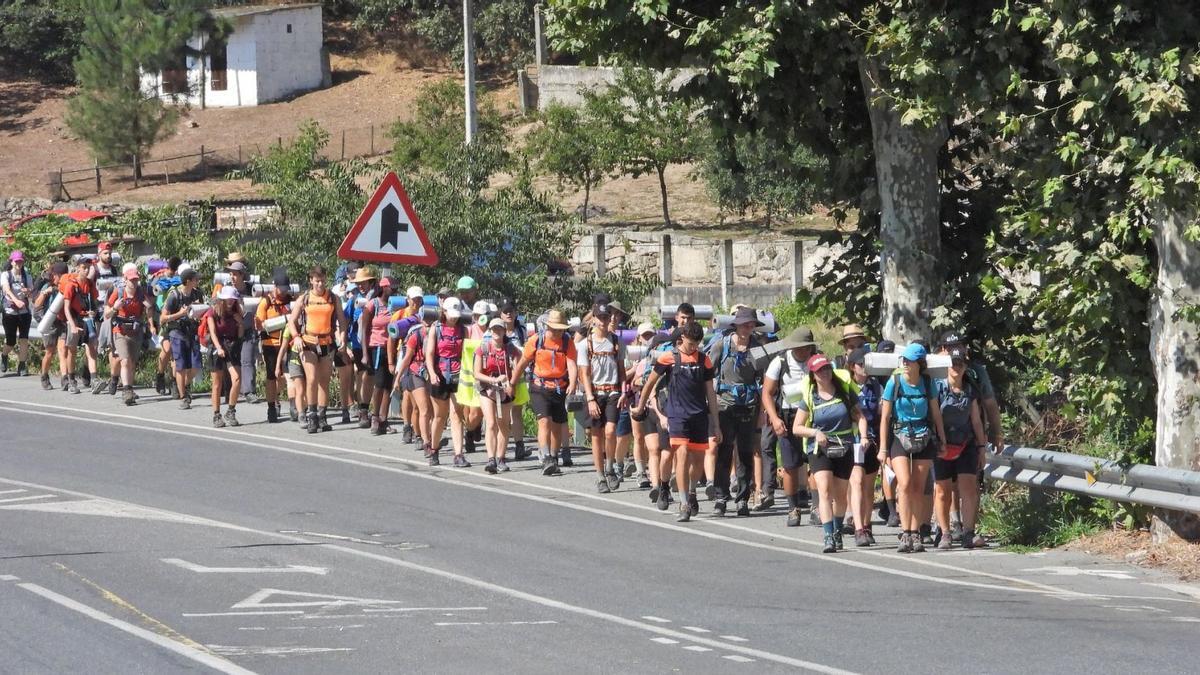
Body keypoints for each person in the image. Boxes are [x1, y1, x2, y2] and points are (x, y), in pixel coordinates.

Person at [631, 321, 721, 523]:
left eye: (697, 344)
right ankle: (683, 503)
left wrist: (715, 423)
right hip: (677, 415)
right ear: (682, 339)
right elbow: (650, 383)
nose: (694, 348)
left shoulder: (704, 360)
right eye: (690, 344)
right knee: (681, 454)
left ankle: (691, 492)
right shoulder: (668, 358)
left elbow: (710, 393)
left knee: (697, 459)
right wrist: (641, 406)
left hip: (699, 415)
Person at [793, 354, 869, 553]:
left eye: (827, 368)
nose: (825, 373)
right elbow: (797, 427)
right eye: (820, 370)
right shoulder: (810, 397)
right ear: (813, 375)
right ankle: (828, 536)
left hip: (844, 446)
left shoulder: (844, 392)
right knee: (825, 491)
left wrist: (863, 437)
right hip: (820, 449)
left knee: (841, 495)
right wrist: (815, 432)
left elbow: (859, 416)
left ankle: (836, 529)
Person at [878, 342, 948, 553]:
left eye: (909, 360)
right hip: (900, 436)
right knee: (905, 484)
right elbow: (885, 417)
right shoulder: (895, 381)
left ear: (919, 363)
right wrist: (882, 448)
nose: (905, 363)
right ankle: (905, 531)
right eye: (904, 360)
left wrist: (942, 440)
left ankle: (915, 533)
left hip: (923, 436)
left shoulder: (928, 383)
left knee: (918, 487)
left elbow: (936, 414)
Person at [708, 306, 767, 517]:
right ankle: (721, 498)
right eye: (744, 324)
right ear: (736, 325)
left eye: (751, 324)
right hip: (725, 405)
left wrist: (763, 411)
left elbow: (765, 383)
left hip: (749, 406)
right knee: (724, 452)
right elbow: (709, 373)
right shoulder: (721, 346)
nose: (747, 328)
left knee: (745, 454)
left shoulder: (757, 349)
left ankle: (742, 499)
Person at [759, 326, 819, 524]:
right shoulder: (780, 362)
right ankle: (793, 509)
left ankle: (816, 507)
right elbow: (767, 393)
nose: (803, 351)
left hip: (814, 415)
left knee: (815, 462)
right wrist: (775, 419)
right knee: (790, 465)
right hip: (789, 415)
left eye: (806, 347)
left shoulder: (818, 361)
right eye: (799, 347)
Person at [510, 308, 578, 476]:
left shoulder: (567, 342)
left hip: (559, 387)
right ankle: (546, 456)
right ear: (548, 327)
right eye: (554, 328)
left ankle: (554, 456)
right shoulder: (536, 340)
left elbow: (571, 363)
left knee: (556, 425)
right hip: (539, 386)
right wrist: (512, 382)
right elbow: (523, 363)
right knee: (544, 421)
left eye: (560, 329)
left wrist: (573, 382)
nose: (557, 332)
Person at [934, 346, 990, 549]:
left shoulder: (970, 389)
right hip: (942, 445)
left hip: (966, 444)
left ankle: (968, 533)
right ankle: (945, 533)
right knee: (942, 491)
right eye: (953, 363)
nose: (956, 367)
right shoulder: (938, 388)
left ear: (965, 367)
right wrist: (938, 441)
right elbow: (934, 416)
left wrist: (982, 447)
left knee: (968, 488)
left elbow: (976, 421)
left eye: (960, 364)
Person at [288, 266, 347, 434]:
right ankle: (311, 416)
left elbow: (342, 321)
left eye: (322, 280)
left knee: (324, 381)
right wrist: (296, 337)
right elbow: (292, 322)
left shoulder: (333, 298)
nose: (320, 284)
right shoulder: (304, 298)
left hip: (327, 343)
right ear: (311, 280)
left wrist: (342, 337)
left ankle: (322, 416)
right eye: (317, 280)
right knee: (312, 378)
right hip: (308, 342)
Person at [578, 303, 627, 493]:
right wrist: (589, 398)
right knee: (596, 436)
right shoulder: (585, 344)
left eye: (606, 317)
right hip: (595, 392)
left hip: (613, 391)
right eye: (600, 317)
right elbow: (584, 373)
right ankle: (600, 475)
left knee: (610, 430)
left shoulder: (616, 342)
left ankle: (610, 467)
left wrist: (623, 391)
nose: (604, 321)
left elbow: (621, 370)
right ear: (594, 319)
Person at [425, 297, 469, 466]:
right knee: (439, 416)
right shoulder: (436, 328)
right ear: (444, 312)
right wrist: (432, 373)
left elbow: (467, 352)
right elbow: (430, 353)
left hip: (458, 374)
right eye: (451, 314)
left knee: (457, 415)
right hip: (440, 374)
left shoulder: (463, 330)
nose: (454, 318)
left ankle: (458, 454)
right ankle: (434, 449)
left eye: (456, 315)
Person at [845, 347, 882, 546]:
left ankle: (867, 526)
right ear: (852, 367)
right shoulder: (845, 385)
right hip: (852, 441)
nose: (865, 368)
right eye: (861, 364)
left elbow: (881, 413)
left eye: (867, 364)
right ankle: (858, 528)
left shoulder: (875, 386)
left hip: (872, 441)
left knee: (868, 487)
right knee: (857, 482)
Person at [104, 265, 154, 405]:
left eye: (136, 280)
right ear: (125, 280)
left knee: (131, 363)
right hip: (120, 331)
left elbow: (149, 309)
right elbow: (106, 314)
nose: (134, 282)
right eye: (131, 280)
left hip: (136, 331)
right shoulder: (118, 292)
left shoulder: (140, 293)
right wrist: (115, 307)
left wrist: (150, 322)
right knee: (124, 361)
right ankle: (126, 390)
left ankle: (126, 387)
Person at [475, 318, 520, 473]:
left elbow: (519, 363)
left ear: (504, 331)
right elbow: (477, 373)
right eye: (494, 329)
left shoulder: (510, 349)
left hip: (505, 391)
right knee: (491, 423)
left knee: (504, 424)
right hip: (487, 389)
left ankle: (501, 458)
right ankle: (491, 459)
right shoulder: (483, 348)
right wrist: (493, 380)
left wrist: (512, 383)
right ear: (490, 330)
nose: (496, 332)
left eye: (499, 329)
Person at [214, 256, 260, 405]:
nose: (232, 277)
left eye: (235, 274)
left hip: (247, 331)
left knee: (247, 361)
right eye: (231, 274)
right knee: (232, 364)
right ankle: (229, 393)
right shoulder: (226, 289)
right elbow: (215, 304)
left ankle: (249, 391)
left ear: (242, 275)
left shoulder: (252, 289)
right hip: (231, 334)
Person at [161, 268, 205, 408]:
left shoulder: (197, 293)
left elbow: (203, 312)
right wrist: (180, 314)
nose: (198, 281)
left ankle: (185, 385)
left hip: (192, 332)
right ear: (188, 281)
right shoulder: (174, 295)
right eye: (195, 279)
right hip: (177, 332)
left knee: (196, 365)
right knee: (180, 366)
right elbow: (163, 318)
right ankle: (183, 397)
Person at [359, 275, 397, 435]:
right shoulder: (372, 305)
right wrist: (365, 354)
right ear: (384, 287)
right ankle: (375, 417)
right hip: (378, 348)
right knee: (379, 383)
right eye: (392, 287)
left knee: (389, 386)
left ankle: (383, 419)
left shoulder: (395, 306)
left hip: (393, 349)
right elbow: (364, 329)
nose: (395, 290)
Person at [255, 269, 293, 423]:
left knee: (287, 376)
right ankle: (271, 407)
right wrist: (281, 321)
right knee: (272, 376)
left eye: (285, 289)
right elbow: (259, 325)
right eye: (281, 289)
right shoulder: (266, 302)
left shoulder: (290, 300)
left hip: (288, 343)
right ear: (274, 286)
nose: (283, 292)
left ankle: (288, 404)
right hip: (269, 343)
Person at [399, 305, 436, 458]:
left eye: (431, 318)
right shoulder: (415, 335)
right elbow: (406, 358)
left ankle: (428, 437)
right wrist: (398, 377)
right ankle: (423, 439)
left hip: (432, 373)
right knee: (422, 409)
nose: (428, 321)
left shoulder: (438, 333)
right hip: (415, 372)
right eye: (426, 318)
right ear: (421, 318)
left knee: (432, 411)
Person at [60, 256, 100, 394]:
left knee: (91, 348)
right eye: (84, 267)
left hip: (87, 319)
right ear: (78, 268)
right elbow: (66, 307)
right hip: (74, 319)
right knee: (72, 351)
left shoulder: (89, 284)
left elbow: (94, 302)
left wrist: (93, 312)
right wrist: (72, 325)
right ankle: (71, 381)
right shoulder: (71, 285)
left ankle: (94, 380)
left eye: (88, 268)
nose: (86, 270)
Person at [205, 286, 244, 427]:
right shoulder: (213, 312)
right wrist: (218, 347)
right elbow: (213, 333)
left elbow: (240, 336)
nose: (231, 301)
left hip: (231, 348)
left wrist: (240, 323)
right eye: (228, 299)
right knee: (217, 383)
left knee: (237, 379)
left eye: (233, 299)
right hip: (218, 348)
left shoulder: (236, 312)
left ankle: (231, 411)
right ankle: (216, 415)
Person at [628, 322, 659, 490]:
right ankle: (641, 472)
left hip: (656, 405)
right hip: (637, 400)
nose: (648, 338)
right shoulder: (632, 354)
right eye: (645, 335)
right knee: (638, 437)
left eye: (650, 335)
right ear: (638, 337)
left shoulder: (658, 354)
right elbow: (633, 382)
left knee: (653, 443)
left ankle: (652, 471)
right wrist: (635, 370)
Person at [497, 299, 530, 460]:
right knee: (501, 414)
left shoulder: (522, 330)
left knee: (517, 411)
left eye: (511, 311)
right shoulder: (496, 330)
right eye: (505, 312)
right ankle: (499, 448)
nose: (509, 314)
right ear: (500, 314)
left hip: (519, 376)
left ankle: (519, 446)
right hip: (500, 377)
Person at [35, 262, 70, 390]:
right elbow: (37, 305)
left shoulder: (68, 286)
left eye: (56, 275)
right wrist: (45, 293)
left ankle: (64, 379)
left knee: (63, 350)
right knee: (50, 352)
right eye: (54, 275)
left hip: (62, 322)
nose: (54, 277)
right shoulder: (47, 286)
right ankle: (44, 376)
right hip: (49, 322)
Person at [1, 250, 33, 376]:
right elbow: (6, 290)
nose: (19, 263)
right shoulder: (6, 275)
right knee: (11, 341)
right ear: (12, 262)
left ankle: (22, 365)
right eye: (16, 261)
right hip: (9, 312)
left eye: (21, 261)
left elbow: (31, 293)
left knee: (24, 339)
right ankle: (4, 355)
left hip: (24, 312)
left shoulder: (27, 276)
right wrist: (16, 301)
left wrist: (28, 291)